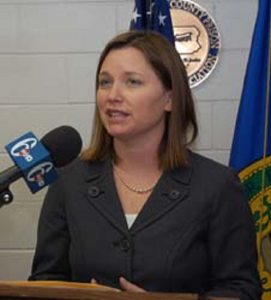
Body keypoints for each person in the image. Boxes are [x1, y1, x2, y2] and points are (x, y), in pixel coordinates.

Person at [29, 30, 262, 299]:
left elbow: (242, 290)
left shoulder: (217, 186)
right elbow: (45, 283)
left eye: (132, 82)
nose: (112, 95)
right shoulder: (69, 184)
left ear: (170, 98)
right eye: (105, 82)